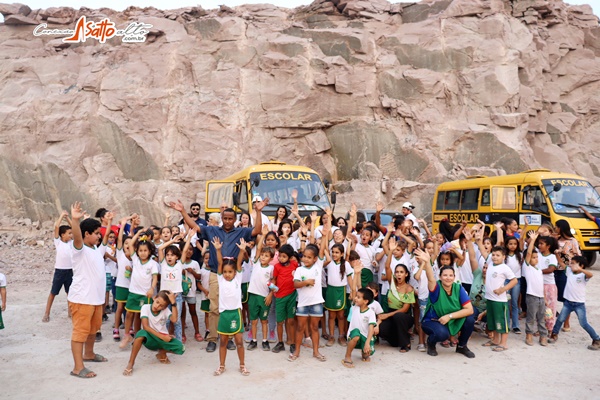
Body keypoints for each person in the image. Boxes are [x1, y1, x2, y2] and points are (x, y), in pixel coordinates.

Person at [167, 198, 266, 353]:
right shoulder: (212, 230)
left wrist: (259, 211)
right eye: (225, 218)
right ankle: (212, 338)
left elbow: (257, 230)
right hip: (215, 274)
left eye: (230, 219)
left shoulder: (242, 231)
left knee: (232, 307)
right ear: (222, 218)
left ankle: (230, 338)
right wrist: (182, 211)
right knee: (214, 308)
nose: (227, 221)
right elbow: (194, 226)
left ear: (235, 220)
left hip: (233, 276)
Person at [67, 202, 112, 379]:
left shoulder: (95, 248)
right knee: (80, 332)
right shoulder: (79, 249)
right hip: (82, 298)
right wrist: (75, 221)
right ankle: (78, 367)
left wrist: (109, 223)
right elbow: (77, 237)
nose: (99, 237)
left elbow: (106, 237)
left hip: (95, 299)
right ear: (87, 234)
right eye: (96, 234)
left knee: (93, 329)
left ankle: (89, 354)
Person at [417, 248, 476, 359]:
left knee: (470, 319)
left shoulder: (458, 288)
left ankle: (462, 346)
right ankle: (431, 343)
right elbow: (430, 279)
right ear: (440, 277)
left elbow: (469, 309)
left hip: (449, 319)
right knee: (443, 334)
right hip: (432, 321)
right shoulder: (436, 288)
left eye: (450, 275)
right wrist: (427, 262)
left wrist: (449, 316)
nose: (448, 278)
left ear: (454, 277)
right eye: (445, 275)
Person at [289, 228, 330, 362]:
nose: (305, 259)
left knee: (314, 328)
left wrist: (324, 237)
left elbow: (323, 248)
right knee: (300, 327)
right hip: (303, 303)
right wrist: (305, 282)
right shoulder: (299, 270)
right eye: (304, 256)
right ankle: (297, 351)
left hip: (316, 302)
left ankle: (316, 351)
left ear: (315, 259)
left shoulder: (318, 266)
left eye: (309, 257)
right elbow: (295, 284)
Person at [122, 290, 185, 376]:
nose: (157, 306)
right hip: (150, 337)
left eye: (161, 305)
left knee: (181, 347)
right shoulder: (145, 307)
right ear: (154, 298)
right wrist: (163, 337)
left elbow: (174, 320)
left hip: (162, 338)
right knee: (140, 334)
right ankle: (131, 363)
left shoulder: (166, 311)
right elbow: (145, 327)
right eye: (157, 302)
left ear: (164, 307)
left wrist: (173, 303)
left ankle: (161, 352)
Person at [213, 237, 249, 376]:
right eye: (226, 272)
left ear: (235, 272)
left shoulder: (238, 278)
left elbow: (239, 262)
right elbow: (220, 262)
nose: (227, 274)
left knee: (239, 341)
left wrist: (242, 250)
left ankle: (242, 365)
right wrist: (218, 250)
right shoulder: (220, 279)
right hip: (224, 314)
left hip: (236, 313)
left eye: (230, 272)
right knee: (223, 342)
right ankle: (221, 366)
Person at [549, 256, 600, 350]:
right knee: (560, 319)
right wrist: (557, 254)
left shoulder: (583, 275)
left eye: (573, 263)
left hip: (579, 304)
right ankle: (554, 334)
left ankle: (596, 339)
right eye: (570, 263)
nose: (570, 264)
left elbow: (590, 275)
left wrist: (580, 269)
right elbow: (561, 263)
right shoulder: (569, 271)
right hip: (568, 302)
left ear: (581, 265)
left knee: (583, 323)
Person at [120, 234, 159, 349]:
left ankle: (141, 337)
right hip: (133, 292)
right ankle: (127, 335)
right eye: (140, 250)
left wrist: (152, 289)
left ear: (150, 251)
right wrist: (139, 233)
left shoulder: (153, 264)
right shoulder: (135, 260)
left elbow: (155, 278)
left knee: (143, 317)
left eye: (145, 250)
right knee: (129, 314)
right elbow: (131, 244)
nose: (142, 253)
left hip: (145, 294)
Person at [377, 237, 415, 352]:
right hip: (391, 314)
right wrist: (390, 252)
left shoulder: (409, 288)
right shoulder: (392, 282)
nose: (399, 274)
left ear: (406, 275)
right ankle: (397, 339)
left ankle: (406, 344)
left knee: (399, 317)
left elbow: (404, 309)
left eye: (401, 272)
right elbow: (387, 267)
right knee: (383, 330)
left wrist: (387, 316)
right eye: (397, 272)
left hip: (404, 317)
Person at [483, 246, 518, 352]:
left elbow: (514, 280)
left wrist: (503, 289)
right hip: (490, 299)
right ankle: (495, 340)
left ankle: (503, 343)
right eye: (493, 255)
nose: (494, 257)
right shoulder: (490, 264)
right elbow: (483, 249)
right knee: (493, 321)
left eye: (498, 255)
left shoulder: (504, 267)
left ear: (504, 257)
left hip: (499, 301)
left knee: (502, 322)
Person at [246, 235, 276, 351]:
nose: (263, 257)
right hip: (253, 295)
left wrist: (270, 295)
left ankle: (265, 340)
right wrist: (263, 235)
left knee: (264, 320)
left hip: (264, 297)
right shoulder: (256, 264)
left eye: (266, 256)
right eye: (262, 255)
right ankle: (253, 340)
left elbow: (273, 284)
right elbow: (258, 248)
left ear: (271, 258)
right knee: (253, 320)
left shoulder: (271, 269)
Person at [43, 211, 73, 323]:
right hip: (60, 271)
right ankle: (47, 313)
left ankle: (70, 312)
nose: (71, 235)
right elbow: (56, 226)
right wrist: (61, 216)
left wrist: (68, 218)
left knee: (70, 293)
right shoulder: (58, 242)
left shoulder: (71, 243)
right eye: (68, 233)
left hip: (70, 271)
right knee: (53, 292)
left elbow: (75, 228)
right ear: (62, 235)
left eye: (71, 233)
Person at [324, 243, 355, 347]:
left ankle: (341, 336)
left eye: (337, 252)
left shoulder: (346, 264)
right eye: (333, 252)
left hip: (341, 291)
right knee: (331, 315)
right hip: (330, 291)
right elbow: (324, 250)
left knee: (341, 315)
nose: (334, 254)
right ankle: (331, 336)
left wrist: (353, 291)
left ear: (342, 254)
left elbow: (350, 279)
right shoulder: (329, 262)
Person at [157, 232, 186, 341]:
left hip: (176, 296)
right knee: (165, 320)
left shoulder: (179, 264)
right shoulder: (163, 264)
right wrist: (172, 241)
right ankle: (164, 341)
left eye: (172, 255)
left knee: (176, 320)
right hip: (164, 297)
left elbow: (185, 250)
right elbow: (160, 249)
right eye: (167, 255)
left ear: (177, 257)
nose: (169, 257)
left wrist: (189, 238)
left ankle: (178, 343)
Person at [554, 219, 581, 332]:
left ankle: (566, 322)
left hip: (566, 271)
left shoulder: (572, 241)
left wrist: (564, 254)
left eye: (556, 227)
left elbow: (578, 256)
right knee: (552, 296)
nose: (555, 229)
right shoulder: (555, 240)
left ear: (561, 227)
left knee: (566, 297)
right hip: (553, 270)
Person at [113, 216, 137, 342]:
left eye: (130, 243)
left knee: (130, 308)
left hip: (132, 286)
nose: (128, 245)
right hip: (121, 285)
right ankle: (116, 328)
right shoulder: (120, 254)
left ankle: (130, 327)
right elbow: (120, 238)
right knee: (120, 307)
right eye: (126, 243)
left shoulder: (135, 258)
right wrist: (123, 224)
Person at [271, 244, 299, 353]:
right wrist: (273, 289)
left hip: (291, 296)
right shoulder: (277, 267)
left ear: (290, 257)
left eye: (284, 256)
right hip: (279, 297)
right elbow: (274, 279)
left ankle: (292, 343)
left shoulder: (295, 264)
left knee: (291, 320)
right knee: (280, 322)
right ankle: (280, 343)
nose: (281, 258)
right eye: (280, 256)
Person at [523, 232, 548, 346]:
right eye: (533, 257)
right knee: (531, 317)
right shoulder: (527, 267)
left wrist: (545, 298)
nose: (536, 259)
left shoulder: (538, 270)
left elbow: (541, 284)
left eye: (537, 257)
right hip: (531, 296)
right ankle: (529, 335)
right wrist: (532, 240)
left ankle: (543, 336)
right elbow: (528, 253)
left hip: (541, 297)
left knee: (541, 318)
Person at [342, 288, 377, 368]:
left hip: (365, 336)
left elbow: (371, 328)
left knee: (368, 353)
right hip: (353, 335)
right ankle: (347, 356)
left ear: (365, 301)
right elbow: (353, 289)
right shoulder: (354, 307)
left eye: (358, 297)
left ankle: (364, 352)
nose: (355, 298)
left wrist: (367, 343)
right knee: (356, 334)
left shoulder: (371, 312)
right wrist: (356, 275)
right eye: (356, 296)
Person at [180, 231, 203, 343]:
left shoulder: (195, 263)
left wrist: (192, 272)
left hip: (191, 291)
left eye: (191, 249)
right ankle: (182, 333)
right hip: (181, 291)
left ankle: (197, 331)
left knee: (193, 311)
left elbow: (199, 276)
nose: (188, 251)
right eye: (186, 249)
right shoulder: (179, 263)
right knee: (182, 312)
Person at [538, 236, 559, 332]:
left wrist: (536, 272)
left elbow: (551, 269)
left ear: (548, 246)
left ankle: (550, 328)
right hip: (538, 285)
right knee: (540, 308)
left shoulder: (552, 257)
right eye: (539, 243)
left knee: (550, 308)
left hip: (549, 285)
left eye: (542, 244)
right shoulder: (537, 255)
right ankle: (541, 328)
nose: (539, 245)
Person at [504, 236, 523, 334]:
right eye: (510, 244)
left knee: (514, 303)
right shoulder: (504, 256)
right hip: (506, 281)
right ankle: (506, 324)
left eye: (515, 244)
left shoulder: (520, 255)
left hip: (516, 281)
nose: (513, 246)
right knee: (506, 303)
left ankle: (515, 325)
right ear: (506, 244)